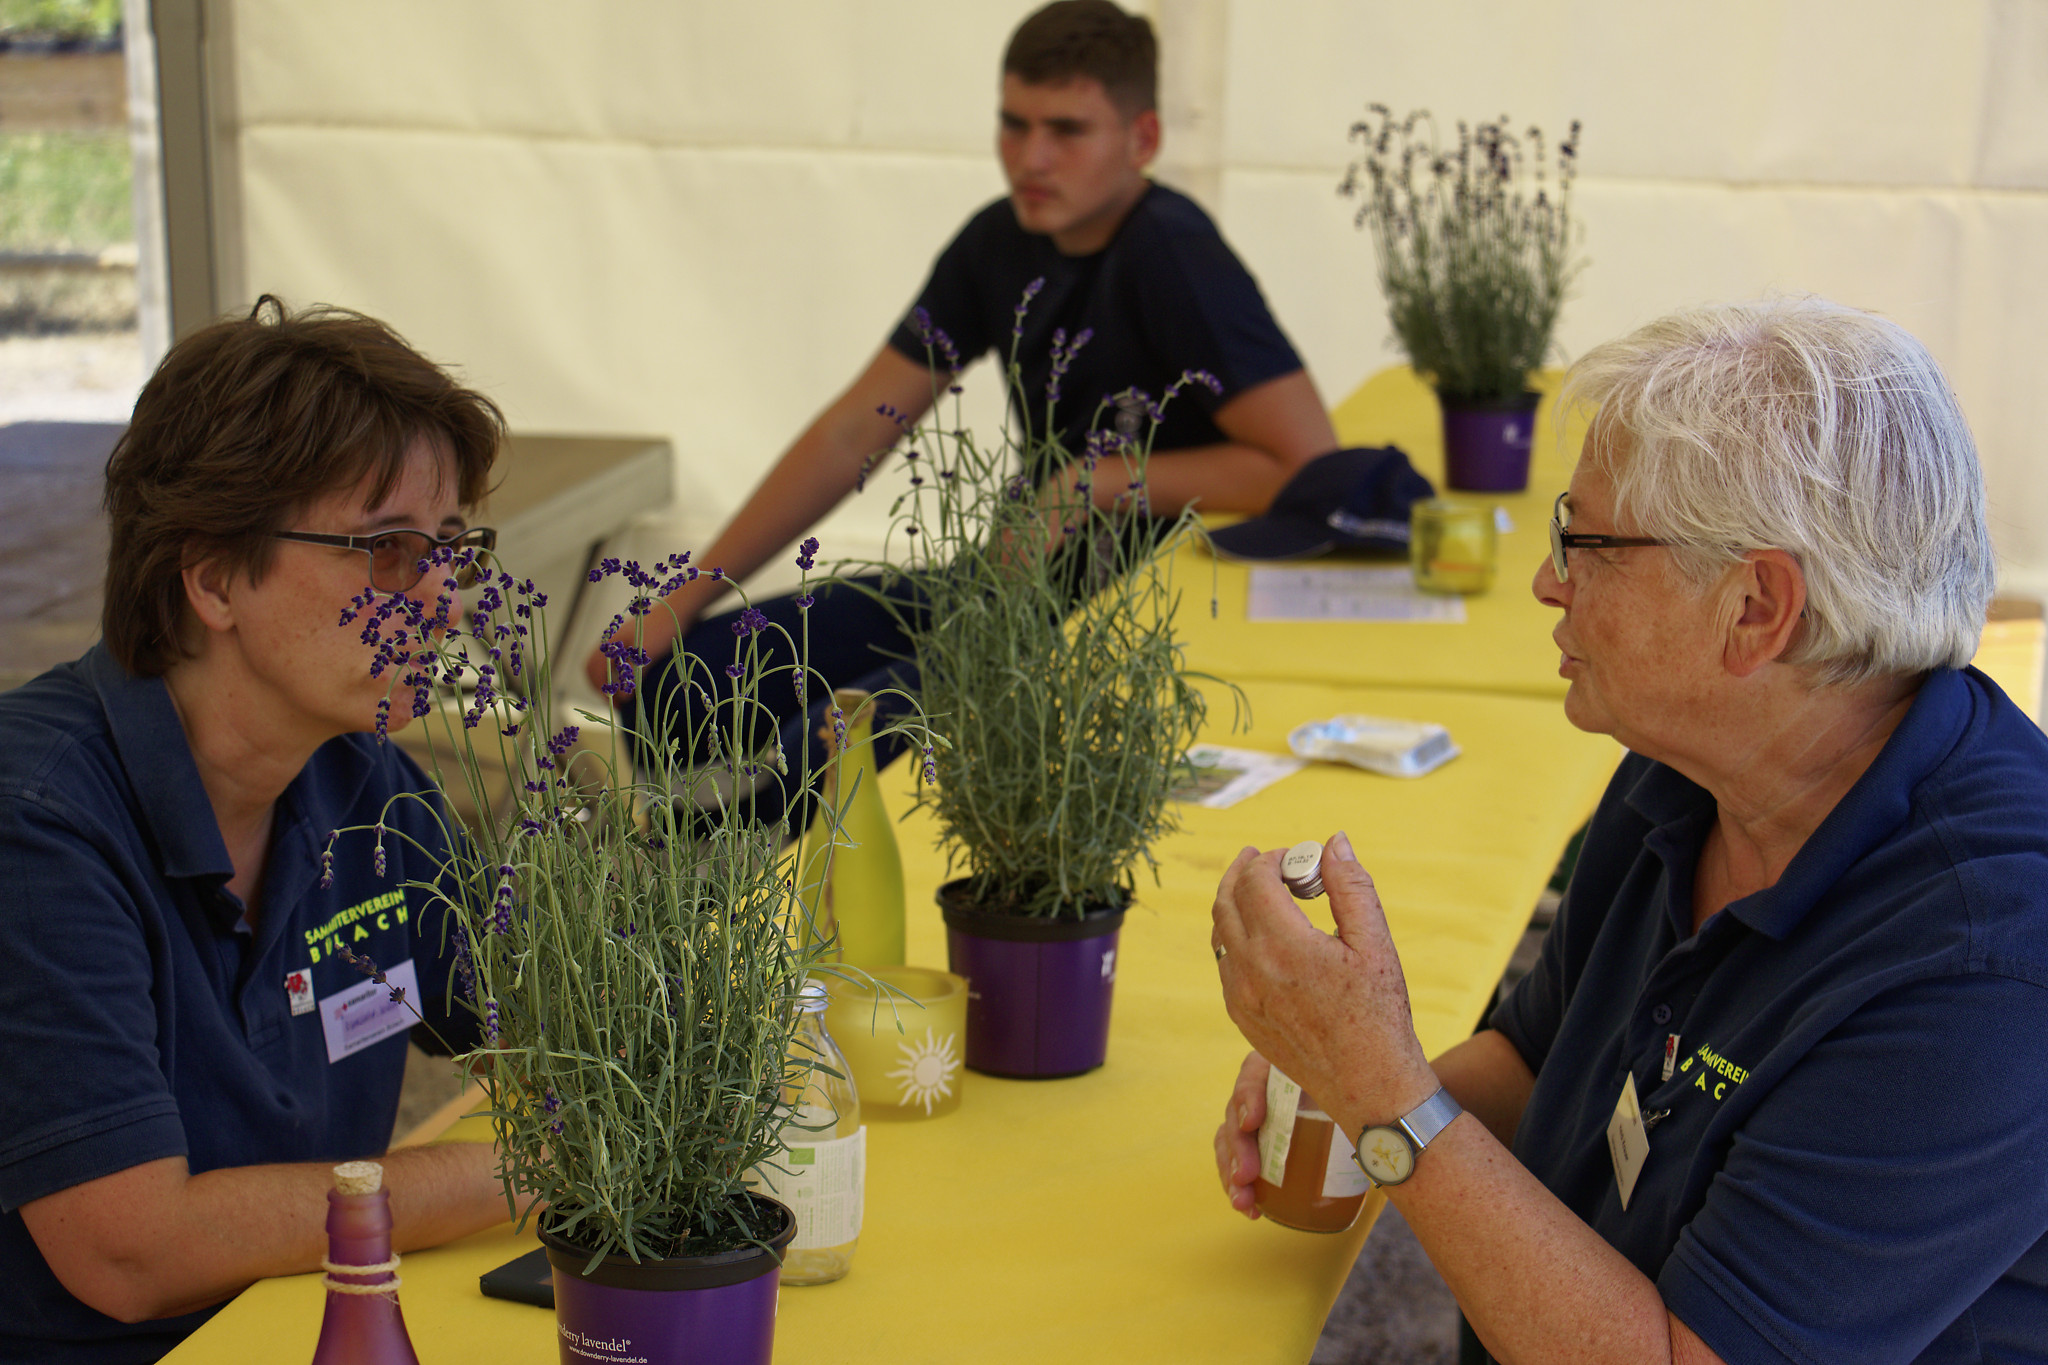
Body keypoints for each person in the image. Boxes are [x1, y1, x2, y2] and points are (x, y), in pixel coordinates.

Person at [1211, 298, 2048, 1364]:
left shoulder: (1987, 969)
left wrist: (1384, 1095)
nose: (1546, 581)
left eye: (1586, 542)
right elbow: (1537, 1063)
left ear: (1755, 608)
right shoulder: (1694, 768)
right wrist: (1339, 1081)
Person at [586, 0, 1341, 809]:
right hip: (1005, 587)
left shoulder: (1175, 253)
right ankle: (686, 854)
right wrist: (678, 602)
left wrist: (1095, 481)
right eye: (1013, 125)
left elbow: (1310, 466)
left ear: (1143, 139)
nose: (1031, 158)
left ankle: (730, 868)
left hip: (1128, 620)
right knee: (684, 685)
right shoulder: (997, 240)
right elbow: (852, 434)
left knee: (828, 752)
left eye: (1067, 130)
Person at [0, 300, 520, 1363]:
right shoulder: (35, 822)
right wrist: (518, 1171)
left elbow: (565, 1029)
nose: (444, 599)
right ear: (211, 579)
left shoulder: (363, 781)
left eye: (451, 548)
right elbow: (132, 1252)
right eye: (387, 549)